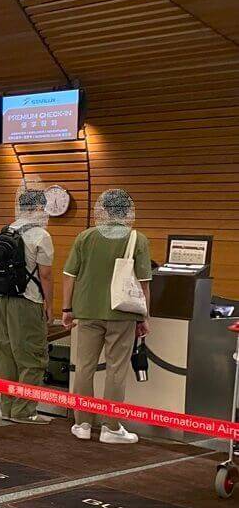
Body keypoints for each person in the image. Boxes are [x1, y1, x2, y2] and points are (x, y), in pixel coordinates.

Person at [63, 189, 152, 444]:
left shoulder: (85, 237)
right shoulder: (137, 239)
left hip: (87, 311)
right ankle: (110, 427)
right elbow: (144, 284)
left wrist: (67, 309)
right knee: (116, 370)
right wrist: (144, 317)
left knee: (84, 367)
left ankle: (82, 424)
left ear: (103, 209)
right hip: (122, 313)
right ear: (127, 211)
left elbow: (69, 275)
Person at [0, 189, 54, 425]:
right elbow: (45, 275)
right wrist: (50, 305)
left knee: (5, 355)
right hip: (27, 301)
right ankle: (25, 411)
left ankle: (7, 408)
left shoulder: (4, 231)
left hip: (0, 299)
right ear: (38, 208)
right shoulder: (41, 235)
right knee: (32, 357)